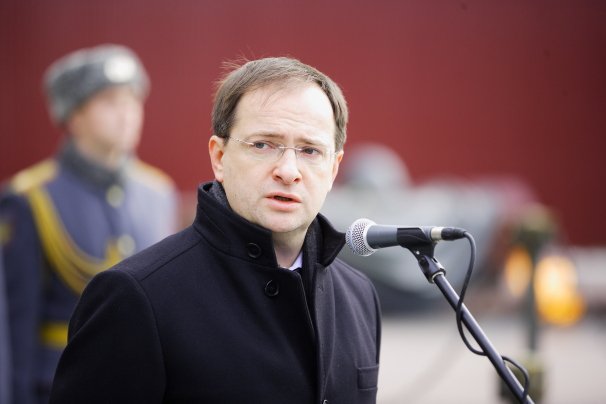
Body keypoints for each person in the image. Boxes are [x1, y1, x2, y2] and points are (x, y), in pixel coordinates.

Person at [49, 56, 382, 403]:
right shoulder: (135, 297)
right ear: (219, 157)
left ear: (333, 169)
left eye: (310, 150)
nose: (288, 171)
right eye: (263, 144)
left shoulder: (358, 296)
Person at [0, 44, 178, 403]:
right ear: (75, 115)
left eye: (133, 101)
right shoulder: (31, 198)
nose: (127, 114)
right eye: (110, 102)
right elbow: (18, 328)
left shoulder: (159, 193)